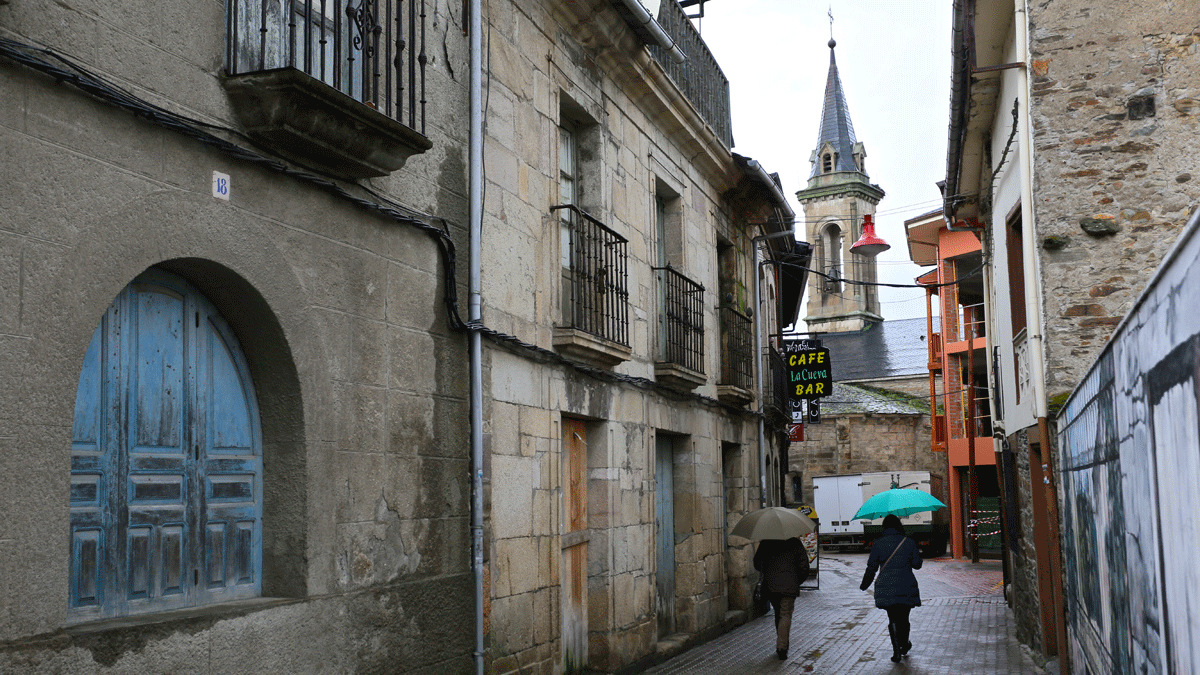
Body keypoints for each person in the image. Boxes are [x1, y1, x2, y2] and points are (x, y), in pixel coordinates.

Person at [859, 514, 923, 663]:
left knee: (892, 617)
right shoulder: (909, 542)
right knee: (904, 618)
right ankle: (904, 645)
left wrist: (865, 584)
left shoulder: (878, 543)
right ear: (899, 525)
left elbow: (871, 568)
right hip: (906, 585)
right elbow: (917, 565)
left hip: (886, 586)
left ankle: (896, 652)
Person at [753, 537, 810, 660]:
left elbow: (757, 563)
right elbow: (804, 566)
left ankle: (782, 641)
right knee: (785, 614)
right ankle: (782, 647)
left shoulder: (766, 542)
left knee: (779, 613)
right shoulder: (795, 542)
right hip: (789, 587)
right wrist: (796, 581)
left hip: (771, 586)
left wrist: (768, 570)